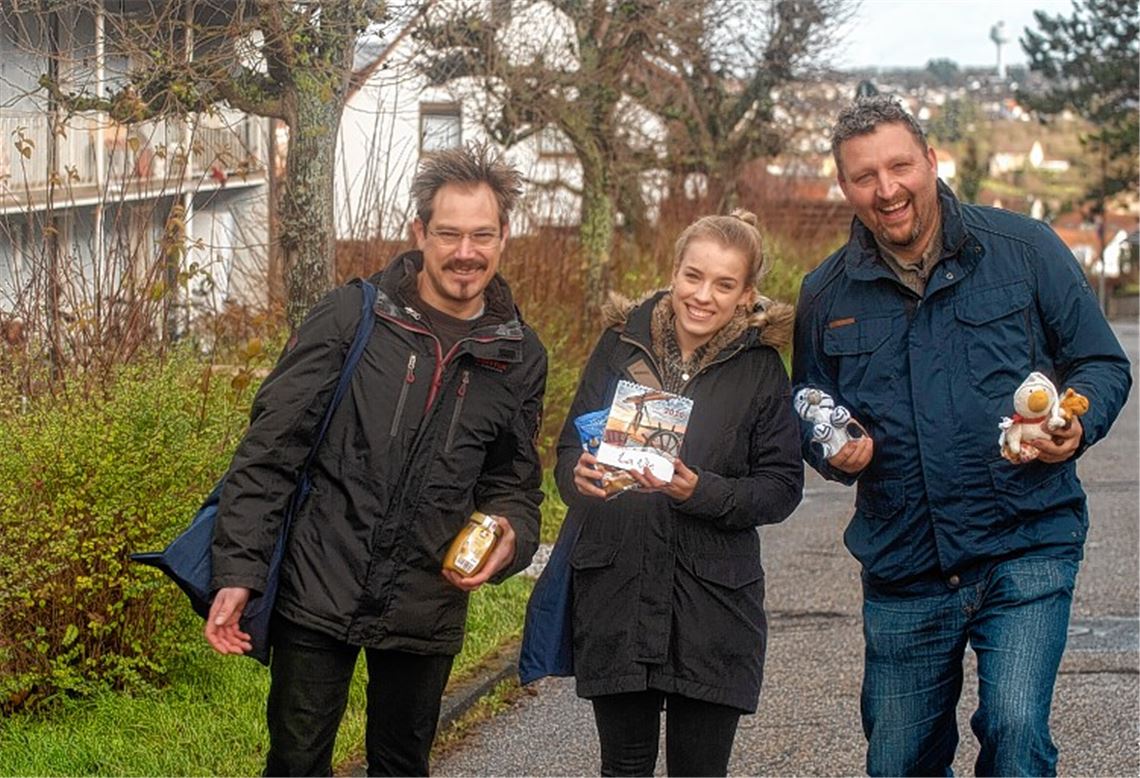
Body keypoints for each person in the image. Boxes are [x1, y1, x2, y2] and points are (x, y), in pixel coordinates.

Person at [792, 96, 1132, 777]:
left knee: (1014, 732)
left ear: (931, 161)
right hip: (904, 560)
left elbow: (1100, 361)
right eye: (865, 176)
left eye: (899, 166)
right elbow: (812, 407)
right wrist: (836, 451)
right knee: (899, 760)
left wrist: (1077, 422)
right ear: (844, 187)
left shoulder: (1024, 249)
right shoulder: (825, 293)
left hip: (1025, 540)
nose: (887, 190)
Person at [204, 143, 547, 776]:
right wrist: (239, 568)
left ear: (504, 236)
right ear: (419, 232)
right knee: (297, 762)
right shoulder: (351, 317)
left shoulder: (520, 355)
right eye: (448, 233)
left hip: (427, 597)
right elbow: (269, 453)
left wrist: (509, 535)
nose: (464, 253)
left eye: (481, 235)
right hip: (319, 584)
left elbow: (514, 483)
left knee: (401, 764)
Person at [556, 210, 804, 776]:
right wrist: (580, 476)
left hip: (713, 602)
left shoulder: (761, 369)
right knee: (624, 768)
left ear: (746, 295)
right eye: (694, 276)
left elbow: (782, 487)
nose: (703, 296)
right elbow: (569, 450)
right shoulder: (618, 346)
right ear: (673, 271)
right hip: (617, 587)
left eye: (724, 284)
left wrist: (702, 492)